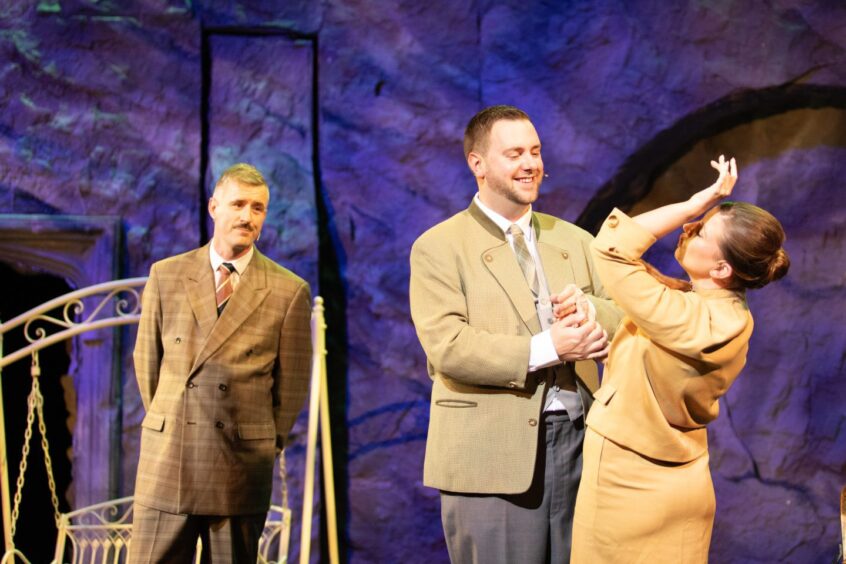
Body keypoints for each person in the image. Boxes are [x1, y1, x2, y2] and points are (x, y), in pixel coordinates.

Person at [409, 105, 624, 564]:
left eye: (535, 151)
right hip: (492, 455)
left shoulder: (576, 241)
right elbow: (448, 346)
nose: (530, 164)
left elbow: (623, 314)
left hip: (582, 445)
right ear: (478, 164)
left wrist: (592, 313)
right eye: (514, 154)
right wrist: (550, 347)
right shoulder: (439, 248)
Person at [568, 156, 790, 563]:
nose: (690, 227)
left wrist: (692, 202)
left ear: (722, 267)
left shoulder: (688, 317)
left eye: (702, 229)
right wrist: (593, 315)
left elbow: (612, 248)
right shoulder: (730, 318)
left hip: (629, 482)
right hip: (682, 479)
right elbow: (650, 337)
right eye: (696, 219)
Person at [128, 163, 312, 563]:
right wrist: (170, 418)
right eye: (238, 204)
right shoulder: (168, 275)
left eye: (258, 208)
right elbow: (147, 363)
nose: (247, 217)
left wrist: (264, 440)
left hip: (239, 463)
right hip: (170, 457)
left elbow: (292, 383)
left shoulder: (288, 290)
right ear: (214, 207)